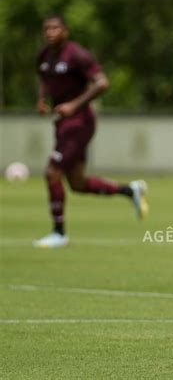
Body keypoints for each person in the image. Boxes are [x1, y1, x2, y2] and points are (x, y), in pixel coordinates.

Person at [33, 15, 148, 248]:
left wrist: (74, 105)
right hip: (63, 124)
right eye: (46, 28)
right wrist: (42, 100)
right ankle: (130, 190)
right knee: (77, 183)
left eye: (55, 28)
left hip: (80, 122)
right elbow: (44, 80)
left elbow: (102, 83)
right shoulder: (44, 56)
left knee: (52, 172)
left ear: (66, 30)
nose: (50, 32)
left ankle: (59, 233)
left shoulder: (77, 54)